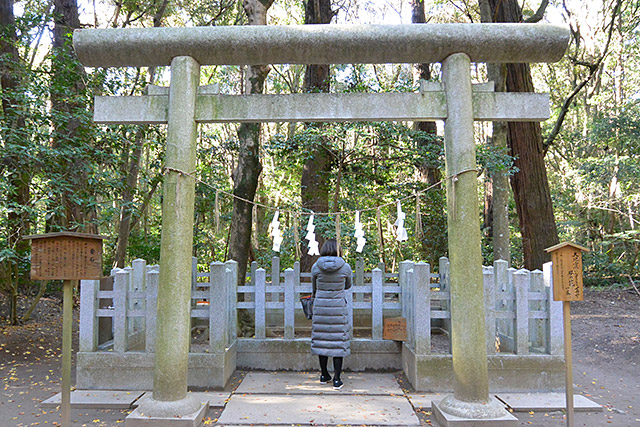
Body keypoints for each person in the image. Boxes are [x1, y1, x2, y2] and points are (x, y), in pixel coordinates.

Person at [310, 238, 352, 390]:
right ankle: (337, 379)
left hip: (321, 306)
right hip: (338, 307)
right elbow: (348, 285)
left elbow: (313, 288)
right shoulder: (345, 267)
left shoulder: (316, 266)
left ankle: (323, 374)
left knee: (322, 340)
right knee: (337, 342)